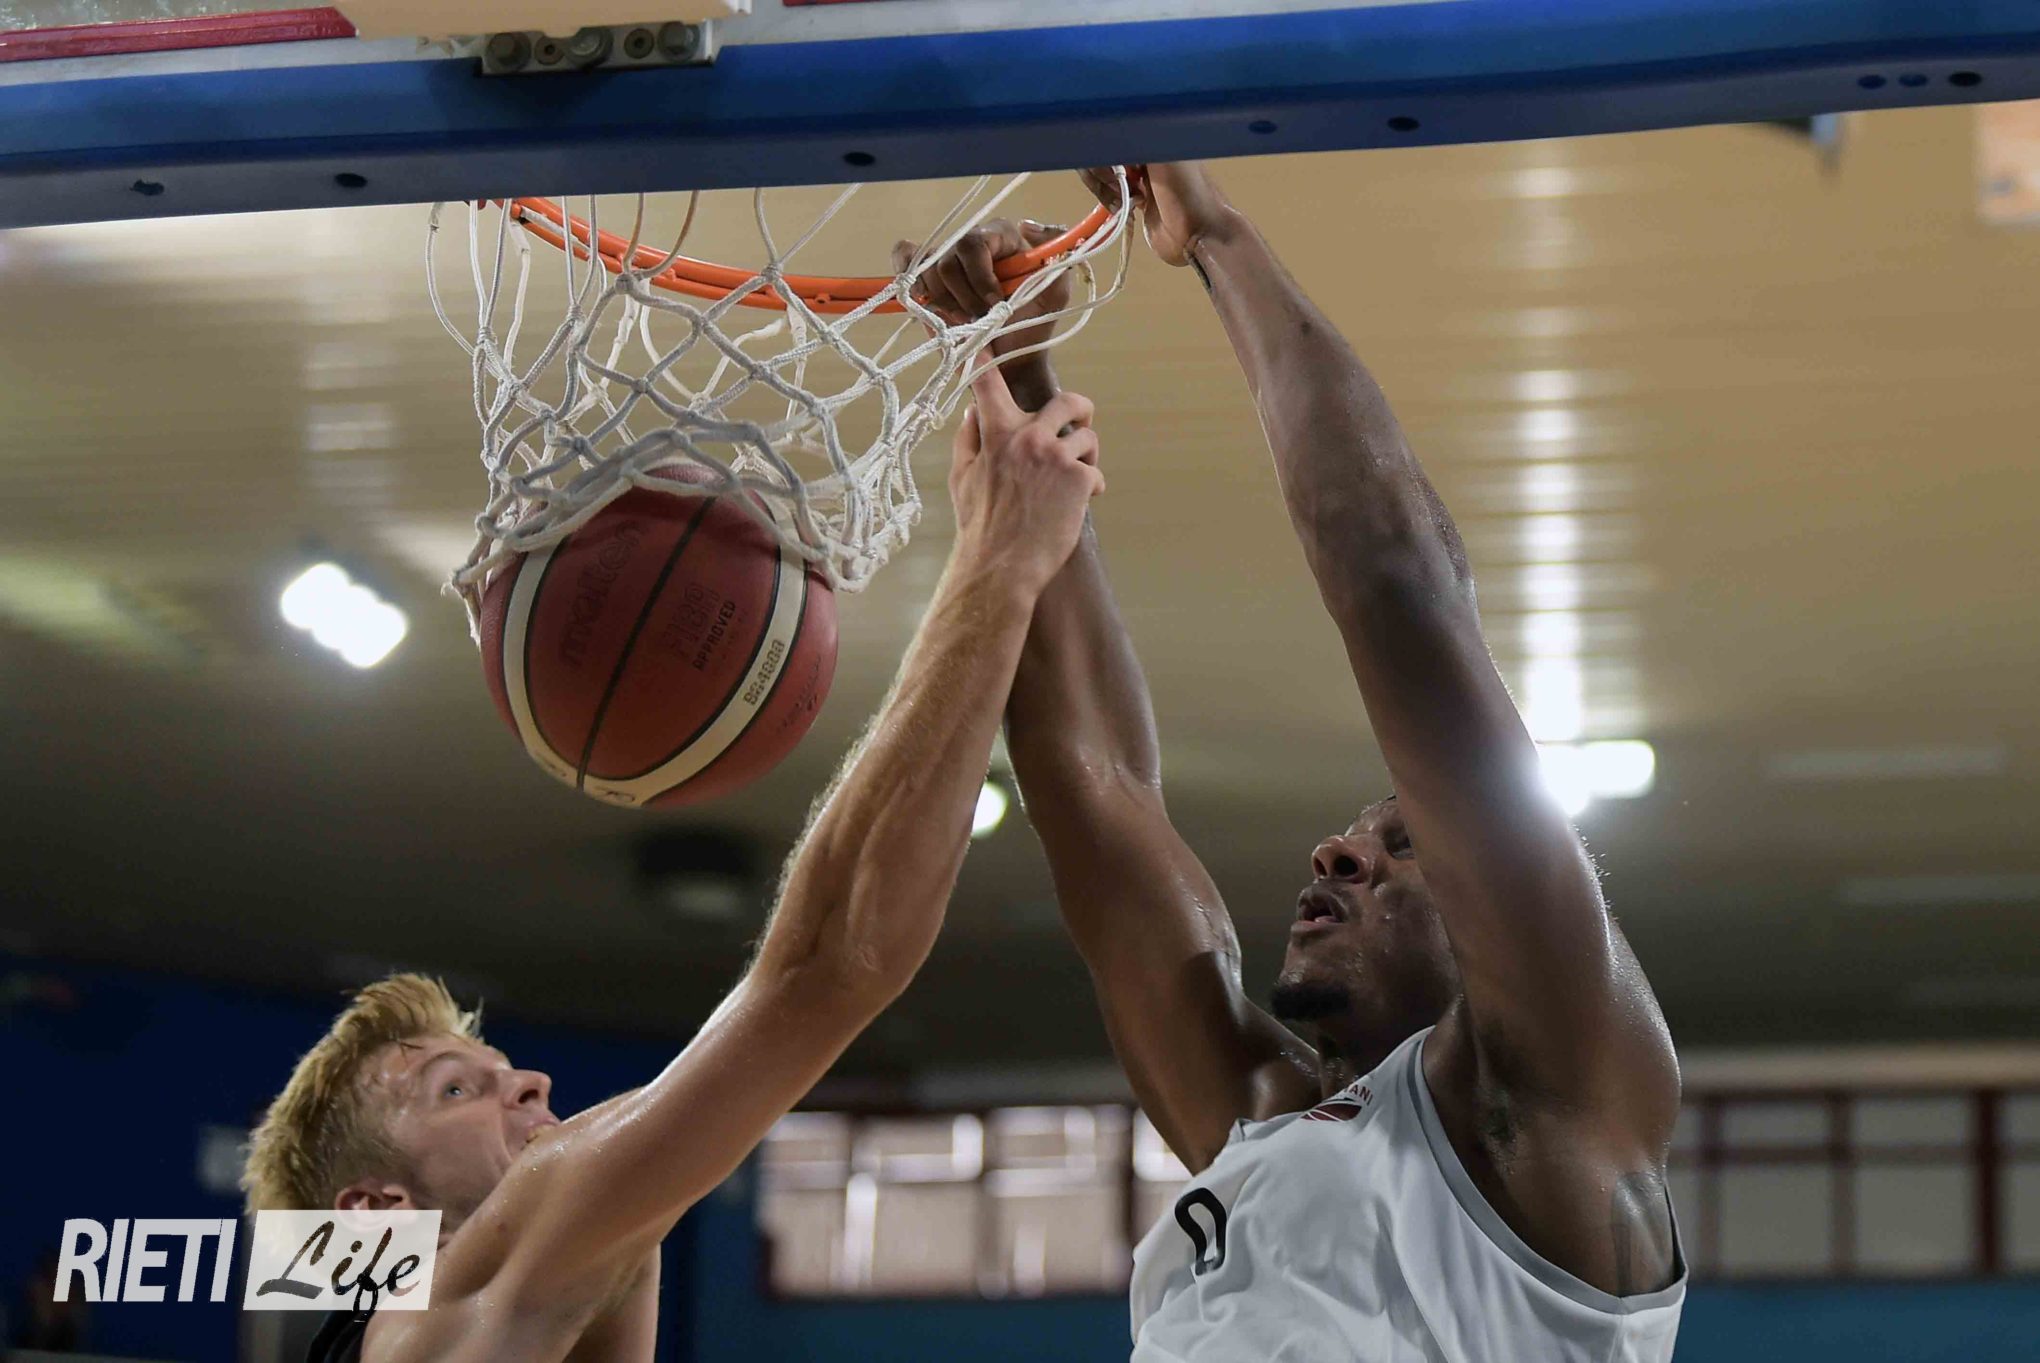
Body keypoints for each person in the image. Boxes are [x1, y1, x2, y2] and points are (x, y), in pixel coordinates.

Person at [911, 164, 1685, 1361]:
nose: (1335, 851)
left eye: (1402, 844)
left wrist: (1214, 237)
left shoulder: (1559, 1105)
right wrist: (1018, 378)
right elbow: (1090, 787)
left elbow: (1396, 580)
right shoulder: (1264, 1114)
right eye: (1357, 838)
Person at [241, 362, 1105, 1363]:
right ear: (376, 1212)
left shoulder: (540, 1291)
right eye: (454, 1090)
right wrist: (999, 561)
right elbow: (828, 965)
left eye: (491, 1071)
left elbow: (820, 974)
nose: (530, 1080)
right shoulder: (429, 1315)